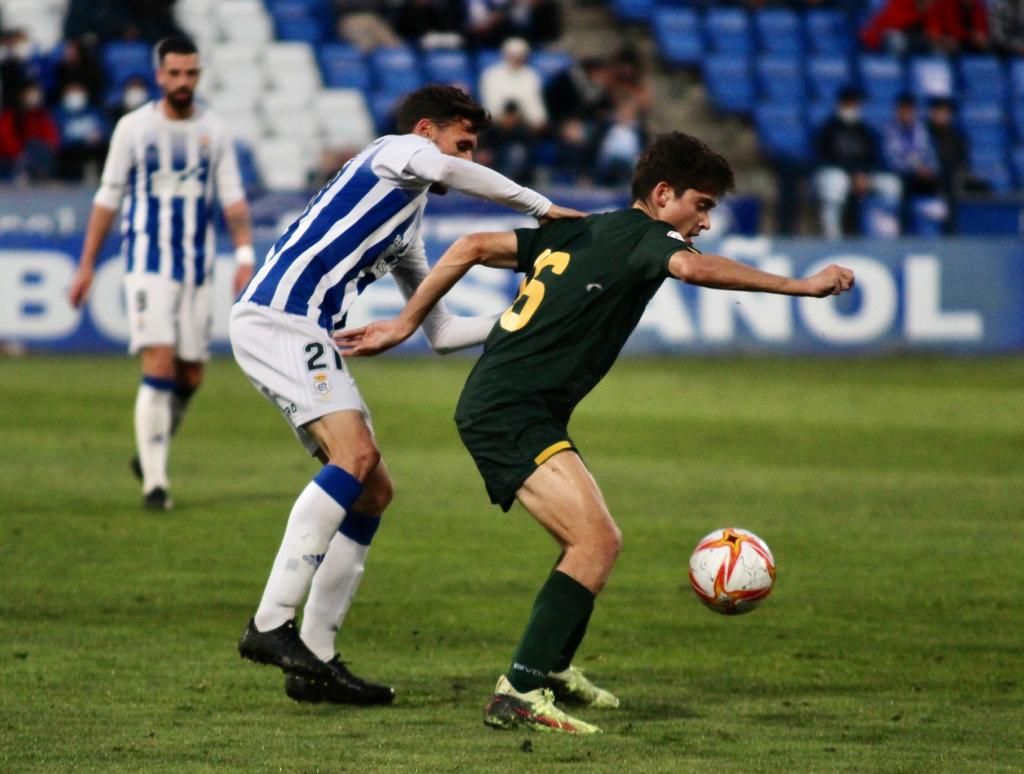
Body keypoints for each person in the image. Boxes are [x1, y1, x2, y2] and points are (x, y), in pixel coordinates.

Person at [336, 131, 855, 733]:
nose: (705, 221)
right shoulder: (652, 238)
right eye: (703, 205)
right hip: (511, 409)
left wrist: (406, 324)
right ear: (664, 195)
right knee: (597, 542)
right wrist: (801, 286)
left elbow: (474, 244)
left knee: (589, 538)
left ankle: (551, 668)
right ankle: (519, 692)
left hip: (521, 406)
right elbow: (693, 267)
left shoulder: (588, 228)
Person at [228, 84, 584, 706]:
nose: (468, 158)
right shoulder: (393, 152)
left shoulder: (407, 220)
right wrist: (541, 208)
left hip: (301, 328)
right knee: (355, 458)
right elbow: (447, 169)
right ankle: (269, 624)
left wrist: (527, 321)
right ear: (427, 130)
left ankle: (312, 661)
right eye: (464, 142)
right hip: (280, 315)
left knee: (373, 489)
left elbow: (439, 331)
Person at [67, 36, 255, 511]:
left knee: (191, 374)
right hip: (148, 264)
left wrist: (245, 254)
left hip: (196, 267)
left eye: (190, 74)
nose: (183, 82)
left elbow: (232, 199)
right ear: (159, 76)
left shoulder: (213, 130)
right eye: (174, 74)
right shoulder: (134, 129)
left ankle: (152, 449)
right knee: (160, 363)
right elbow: (108, 198)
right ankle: (156, 484)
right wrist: (87, 265)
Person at [813, 86, 901, 238]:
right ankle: (832, 234)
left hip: (863, 175)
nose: (854, 108)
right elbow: (825, 158)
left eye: (856, 104)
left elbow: (874, 157)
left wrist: (864, 175)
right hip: (836, 173)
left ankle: (886, 232)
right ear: (841, 104)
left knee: (891, 184)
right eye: (850, 104)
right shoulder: (828, 128)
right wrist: (853, 174)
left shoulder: (865, 129)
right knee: (836, 182)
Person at [882, 94, 943, 232]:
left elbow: (930, 154)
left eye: (909, 110)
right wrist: (913, 169)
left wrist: (929, 168)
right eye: (903, 110)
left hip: (921, 175)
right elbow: (890, 158)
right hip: (901, 175)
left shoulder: (922, 131)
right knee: (898, 186)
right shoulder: (889, 131)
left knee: (936, 183)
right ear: (897, 110)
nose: (906, 114)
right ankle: (903, 229)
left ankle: (938, 229)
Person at [0, 79, 60, 181]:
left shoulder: (43, 116)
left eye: (36, 92)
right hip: (11, 161)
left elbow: (52, 138)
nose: (34, 96)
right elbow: (6, 139)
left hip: (36, 159)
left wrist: (45, 149)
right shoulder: (10, 116)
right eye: (30, 92)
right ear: (21, 95)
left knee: (36, 146)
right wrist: (22, 153)